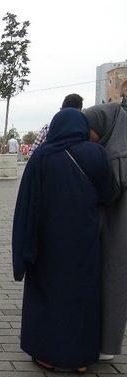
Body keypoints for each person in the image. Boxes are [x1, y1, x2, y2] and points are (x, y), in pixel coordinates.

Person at [12, 108, 118, 372]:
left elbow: (26, 202)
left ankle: (47, 354)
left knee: (47, 294)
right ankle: (80, 359)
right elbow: (110, 193)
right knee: (82, 295)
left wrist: (23, 249)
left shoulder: (41, 157)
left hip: (47, 240)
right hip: (84, 240)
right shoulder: (95, 154)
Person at [84, 103, 127, 360]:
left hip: (116, 230)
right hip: (114, 228)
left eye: (88, 129)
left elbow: (108, 195)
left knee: (112, 280)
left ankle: (106, 346)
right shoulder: (113, 147)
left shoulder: (114, 156)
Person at [29, 94, 84, 158]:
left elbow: (32, 153)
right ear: (80, 111)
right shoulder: (84, 131)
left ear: (61, 109)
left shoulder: (48, 128)